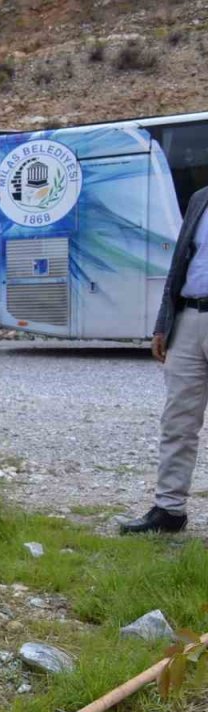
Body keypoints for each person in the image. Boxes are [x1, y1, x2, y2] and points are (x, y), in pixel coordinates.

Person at [121, 186, 208, 534]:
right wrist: (163, 324)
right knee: (178, 421)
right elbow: (180, 264)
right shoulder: (200, 198)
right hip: (188, 317)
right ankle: (169, 510)